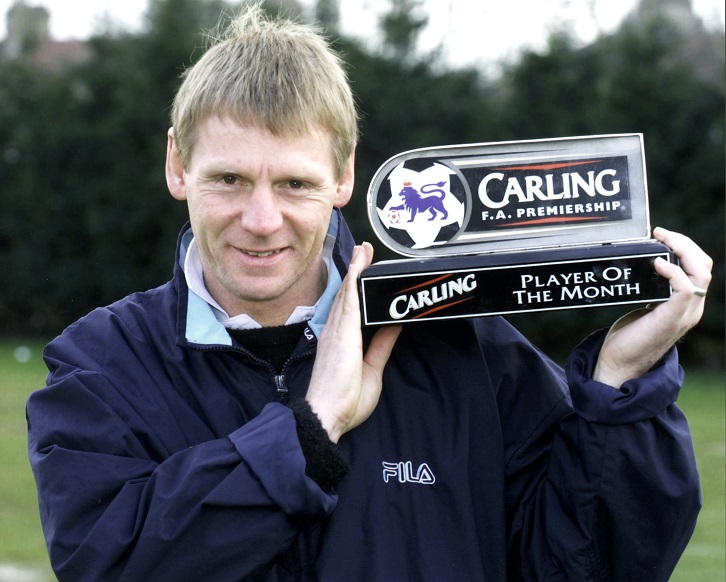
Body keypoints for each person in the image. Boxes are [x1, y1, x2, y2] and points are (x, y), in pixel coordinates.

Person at [27, 4, 712, 581]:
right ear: (178, 165)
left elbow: (585, 563)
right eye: (229, 179)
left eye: (294, 183)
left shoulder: (462, 344)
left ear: (344, 176)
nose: (261, 220)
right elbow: (107, 562)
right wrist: (311, 430)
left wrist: (623, 385)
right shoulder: (99, 368)